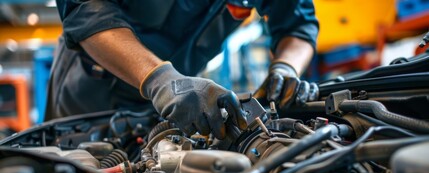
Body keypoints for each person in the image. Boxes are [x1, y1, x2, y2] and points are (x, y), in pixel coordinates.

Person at [45, 0, 319, 140]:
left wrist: (285, 68)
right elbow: (85, 9)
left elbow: (298, 25)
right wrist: (160, 80)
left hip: (184, 97)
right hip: (94, 91)